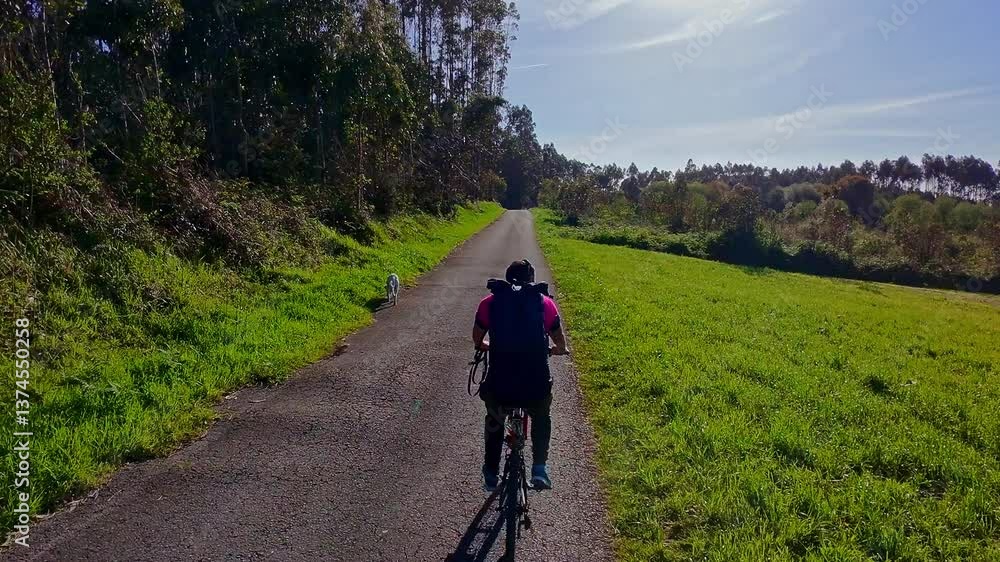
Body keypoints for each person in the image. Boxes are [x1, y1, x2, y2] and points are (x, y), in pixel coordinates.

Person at [472, 259, 569, 491]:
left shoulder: (490, 302)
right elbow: (559, 340)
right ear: (532, 280)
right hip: (535, 385)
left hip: (500, 384)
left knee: (495, 418)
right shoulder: (545, 303)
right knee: (542, 415)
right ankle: (539, 469)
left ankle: (491, 473)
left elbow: (478, 337)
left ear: (507, 277)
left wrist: (486, 345)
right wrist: (559, 349)